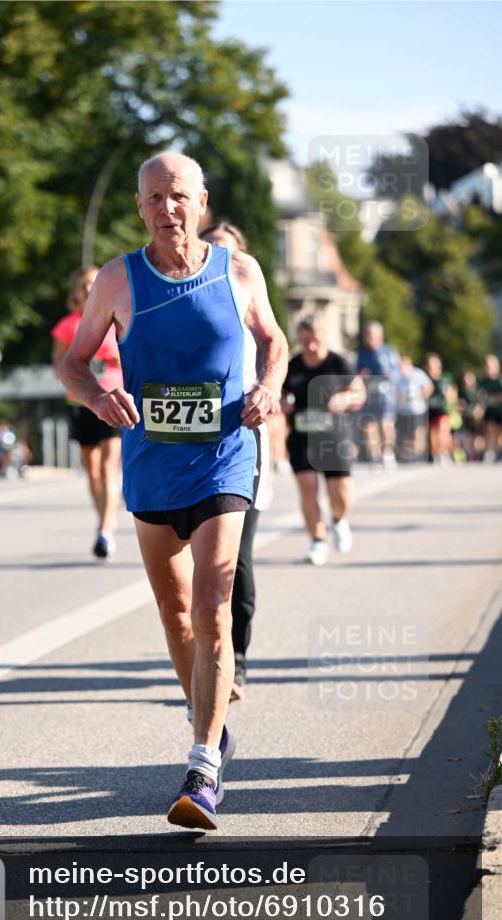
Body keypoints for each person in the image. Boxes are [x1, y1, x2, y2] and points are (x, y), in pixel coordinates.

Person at [59, 152, 288, 829]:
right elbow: (73, 362)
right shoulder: (116, 279)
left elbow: (272, 342)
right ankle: (211, 725)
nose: (168, 209)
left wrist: (269, 388)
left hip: (223, 456)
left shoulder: (239, 272)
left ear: (202, 201)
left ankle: (202, 766)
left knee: (215, 599)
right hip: (152, 464)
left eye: (179, 196)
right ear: (139, 207)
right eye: (155, 198)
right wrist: (98, 393)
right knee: (176, 612)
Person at [199, 220, 273, 701]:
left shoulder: (250, 305)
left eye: (228, 250)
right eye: (213, 248)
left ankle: (236, 657)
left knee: (236, 561)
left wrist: (268, 394)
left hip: (242, 440)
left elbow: (274, 351)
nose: (220, 258)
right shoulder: (189, 304)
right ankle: (203, 659)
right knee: (192, 569)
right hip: (187, 447)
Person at [283, 315, 366, 566]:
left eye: (314, 340)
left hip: (334, 436)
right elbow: (281, 392)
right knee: (308, 488)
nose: (309, 346)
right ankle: (317, 541)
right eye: (304, 340)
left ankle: (339, 520)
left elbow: (358, 391)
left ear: (323, 337)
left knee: (341, 494)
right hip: (302, 435)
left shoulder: (338, 363)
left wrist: (345, 399)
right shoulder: (294, 365)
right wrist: (281, 403)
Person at [52, 267, 123, 558]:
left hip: (113, 397)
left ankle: (105, 531)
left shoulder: (115, 318)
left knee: (108, 467)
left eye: (94, 283)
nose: (88, 289)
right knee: (92, 471)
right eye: (83, 285)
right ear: (76, 291)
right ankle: (104, 519)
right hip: (81, 402)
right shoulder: (68, 325)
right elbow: (59, 364)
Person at [356, 321, 400, 469]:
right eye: (366, 335)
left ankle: (387, 453)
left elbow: (397, 372)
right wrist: (361, 376)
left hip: (385, 395)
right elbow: (356, 373)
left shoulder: (389, 352)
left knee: (386, 423)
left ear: (379, 336)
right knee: (368, 425)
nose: (368, 338)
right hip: (368, 394)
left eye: (371, 335)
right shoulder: (362, 354)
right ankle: (374, 457)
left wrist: (389, 375)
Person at [395, 355, 433, 462]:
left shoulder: (417, 374)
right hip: (402, 410)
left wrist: (420, 396)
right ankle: (408, 455)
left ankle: (417, 454)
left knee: (416, 432)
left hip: (416, 409)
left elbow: (429, 387)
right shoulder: (398, 376)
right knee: (405, 434)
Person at [424, 353, 453, 465]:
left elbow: (451, 393)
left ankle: (444, 453)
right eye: (429, 365)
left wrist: (449, 396)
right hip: (430, 410)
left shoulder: (445, 378)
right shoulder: (425, 379)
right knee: (433, 434)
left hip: (442, 409)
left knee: (443, 431)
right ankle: (436, 455)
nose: (432, 368)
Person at [479, 355, 502, 463]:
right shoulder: (483, 382)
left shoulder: (500, 380)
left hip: (500, 411)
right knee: (489, 431)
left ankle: (498, 453)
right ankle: (490, 453)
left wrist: (493, 398)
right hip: (490, 412)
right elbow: (481, 397)